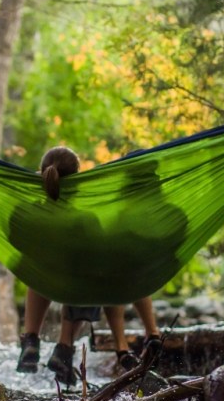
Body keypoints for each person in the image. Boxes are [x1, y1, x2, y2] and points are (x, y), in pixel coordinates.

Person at [14, 146, 162, 385]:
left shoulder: (26, 212)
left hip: (43, 281)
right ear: (78, 180)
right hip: (77, 288)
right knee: (95, 270)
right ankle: (70, 347)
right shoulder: (86, 219)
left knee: (40, 268)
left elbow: (13, 240)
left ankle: (31, 338)